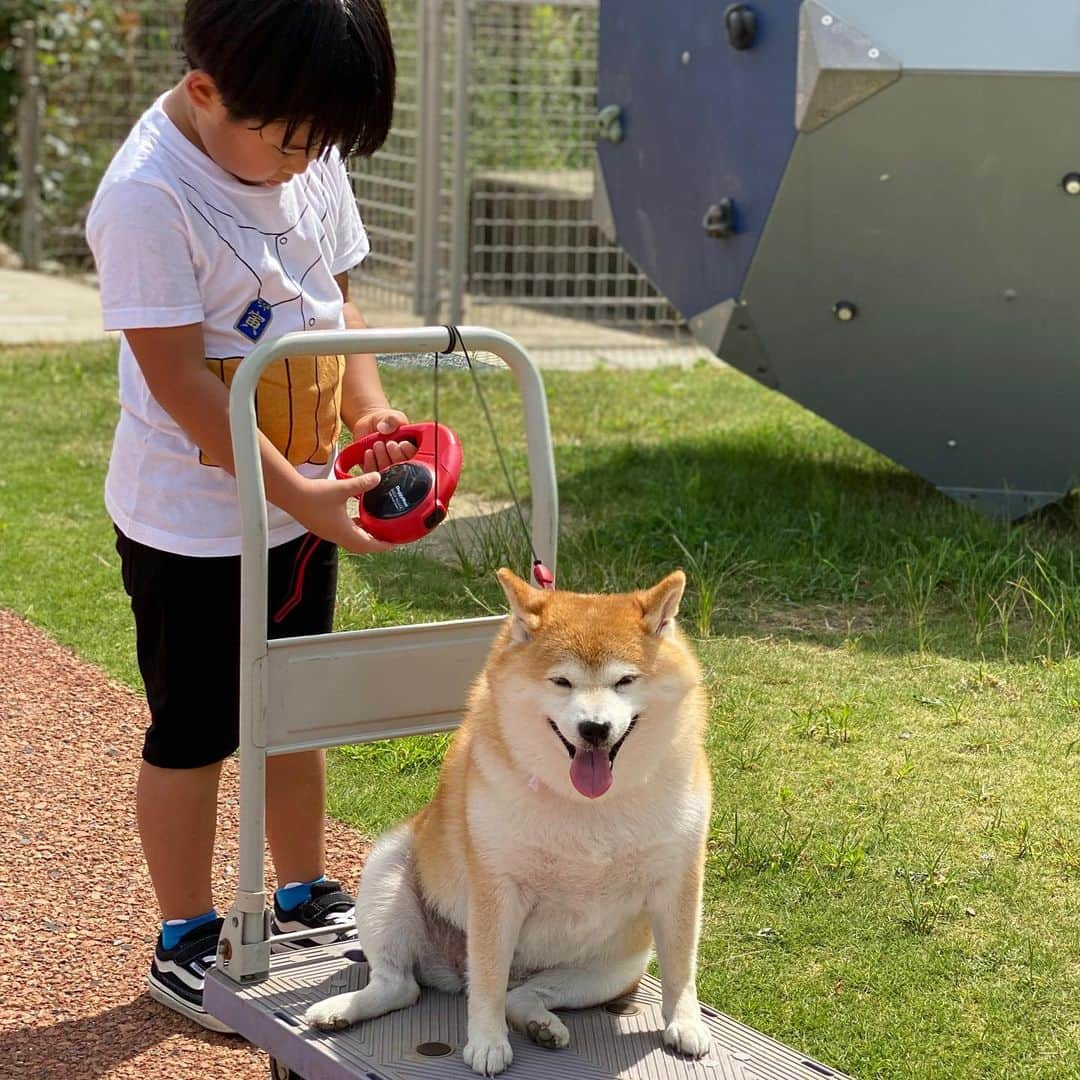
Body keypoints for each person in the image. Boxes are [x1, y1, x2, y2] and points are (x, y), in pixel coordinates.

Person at [86, 0, 406, 1032]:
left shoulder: (300, 135)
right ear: (205, 92)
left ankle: (307, 893)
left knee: (294, 703)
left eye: (321, 146)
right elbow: (181, 382)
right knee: (199, 729)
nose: (303, 163)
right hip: (195, 525)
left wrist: (372, 414)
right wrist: (294, 488)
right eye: (287, 144)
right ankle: (184, 935)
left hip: (299, 503)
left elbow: (333, 306)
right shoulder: (145, 197)